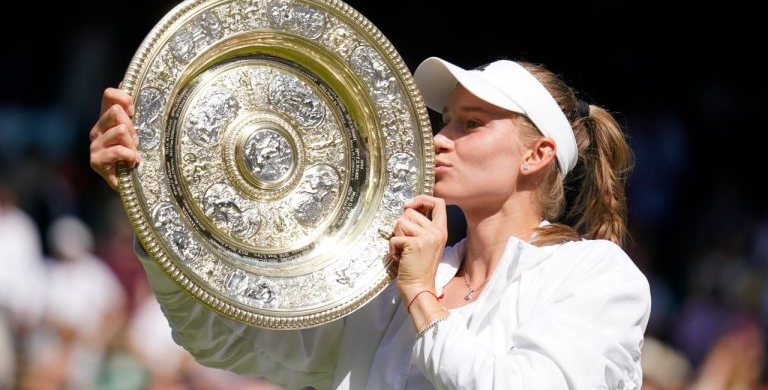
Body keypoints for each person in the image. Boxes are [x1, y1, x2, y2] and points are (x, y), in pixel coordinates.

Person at [90, 56, 652, 389]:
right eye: (446, 120)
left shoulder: (595, 275)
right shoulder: (395, 277)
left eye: (472, 123)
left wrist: (421, 297)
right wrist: (150, 205)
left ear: (537, 155)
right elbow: (226, 341)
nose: (440, 139)